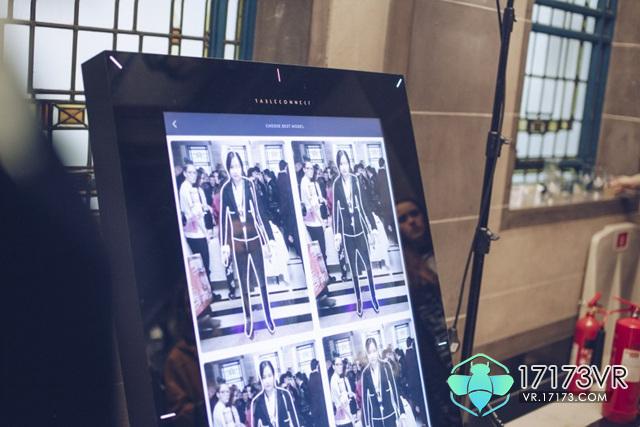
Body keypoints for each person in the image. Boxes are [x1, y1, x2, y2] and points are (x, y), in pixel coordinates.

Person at [220, 152, 277, 337]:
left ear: (242, 167)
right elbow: (224, 219)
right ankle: (248, 318)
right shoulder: (225, 189)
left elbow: (259, 213)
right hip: (237, 242)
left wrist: (267, 240)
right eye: (232, 167)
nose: (235, 171)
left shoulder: (249, 184)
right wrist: (224, 245)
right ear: (228, 169)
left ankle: (268, 315)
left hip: (254, 240)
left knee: (261, 280)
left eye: (237, 166)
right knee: (243, 283)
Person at [332, 150, 379, 316]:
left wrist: (372, 227)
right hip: (347, 233)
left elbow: (364, 205)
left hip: (360, 230)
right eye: (341, 164)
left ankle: (373, 296)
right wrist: (336, 233)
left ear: (349, 163)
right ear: (338, 166)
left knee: (368, 266)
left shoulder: (355, 180)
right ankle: (359, 300)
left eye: (346, 163)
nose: (344, 167)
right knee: (353, 269)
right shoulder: (336, 184)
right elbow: (335, 211)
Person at [180, 164, 217, 290]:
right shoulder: (187, 189)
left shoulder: (190, 188)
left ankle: (208, 292)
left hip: (195, 232)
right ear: (185, 173)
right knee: (203, 264)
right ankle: (208, 293)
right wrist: (206, 233)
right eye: (190, 172)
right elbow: (194, 215)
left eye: (194, 172)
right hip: (195, 233)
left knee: (204, 264)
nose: (193, 175)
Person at [361, 338, 404, 427]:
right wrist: (367, 423)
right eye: (369, 352)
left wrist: (401, 411)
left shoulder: (386, 366)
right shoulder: (365, 373)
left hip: (389, 413)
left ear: (377, 351)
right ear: (367, 354)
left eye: (374, 351)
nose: (372, 355)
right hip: (376, 418)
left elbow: (394, 389)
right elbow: (364, 400)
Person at [251, 361, 300, 427]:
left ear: (274, 376)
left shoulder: (284, 394)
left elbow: (295, 421)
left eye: (269, 376)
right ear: (260, 379)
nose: (267, 381)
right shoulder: (257, 401)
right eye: (264, 377)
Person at [277, 160, 301, 257]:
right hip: (289, 208)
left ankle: (289, 246)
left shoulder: (279, 177)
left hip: (283, 208)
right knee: (292, 229)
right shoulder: (286, 178)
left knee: (287, 229)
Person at [330, 357, 356, 427]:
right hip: (344, 419)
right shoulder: (334, 380)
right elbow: (341, 403)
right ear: (333, 367)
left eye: (341, 364)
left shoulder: (339, 378)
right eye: (337, 364)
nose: (340, 367)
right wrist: (351, 417)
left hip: (345, 418)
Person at [375, 158, 395, 238]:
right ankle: (393, 233)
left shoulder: (377, 175)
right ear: (384, 164)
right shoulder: (387, 174)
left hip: (382, 199)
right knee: (391, 215)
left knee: (386, 216)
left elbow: (376, 188)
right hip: (389, 198)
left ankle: (388, 233)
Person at [308, 359, 330, 427]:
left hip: (314, 404)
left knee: (318, 422)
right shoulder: (319, 376)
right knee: (324, 421)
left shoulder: (310, 377)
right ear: (317, 365)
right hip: (321, 402)